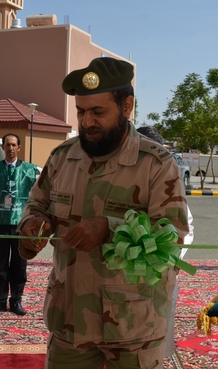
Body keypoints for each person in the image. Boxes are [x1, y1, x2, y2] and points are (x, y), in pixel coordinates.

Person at [18, 57, 189, 369]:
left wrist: (110, 229)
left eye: (98, 112)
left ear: (126, 107)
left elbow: (171, 237)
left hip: (132, 327)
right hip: (70, 319)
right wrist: (32, 225)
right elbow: (36, 205)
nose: (86, 122)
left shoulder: (157, 164)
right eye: (81, 111)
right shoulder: (61, 158)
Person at [135, 125, 194, 358]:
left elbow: (186, 225)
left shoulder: (169, 180)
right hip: (121, 277)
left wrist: (174, 257)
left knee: (155, 341)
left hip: (161, 273)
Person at [0, 133, 39, 316]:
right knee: (0, 265)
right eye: (7, 145)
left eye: (14, 145)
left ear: (19, 148)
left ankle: (16, 301)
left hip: (21, 226)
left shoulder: (30, 170)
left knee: (19, 266)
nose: (10, 148)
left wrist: (35, 225)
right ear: (3, 147)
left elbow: (37, 200)